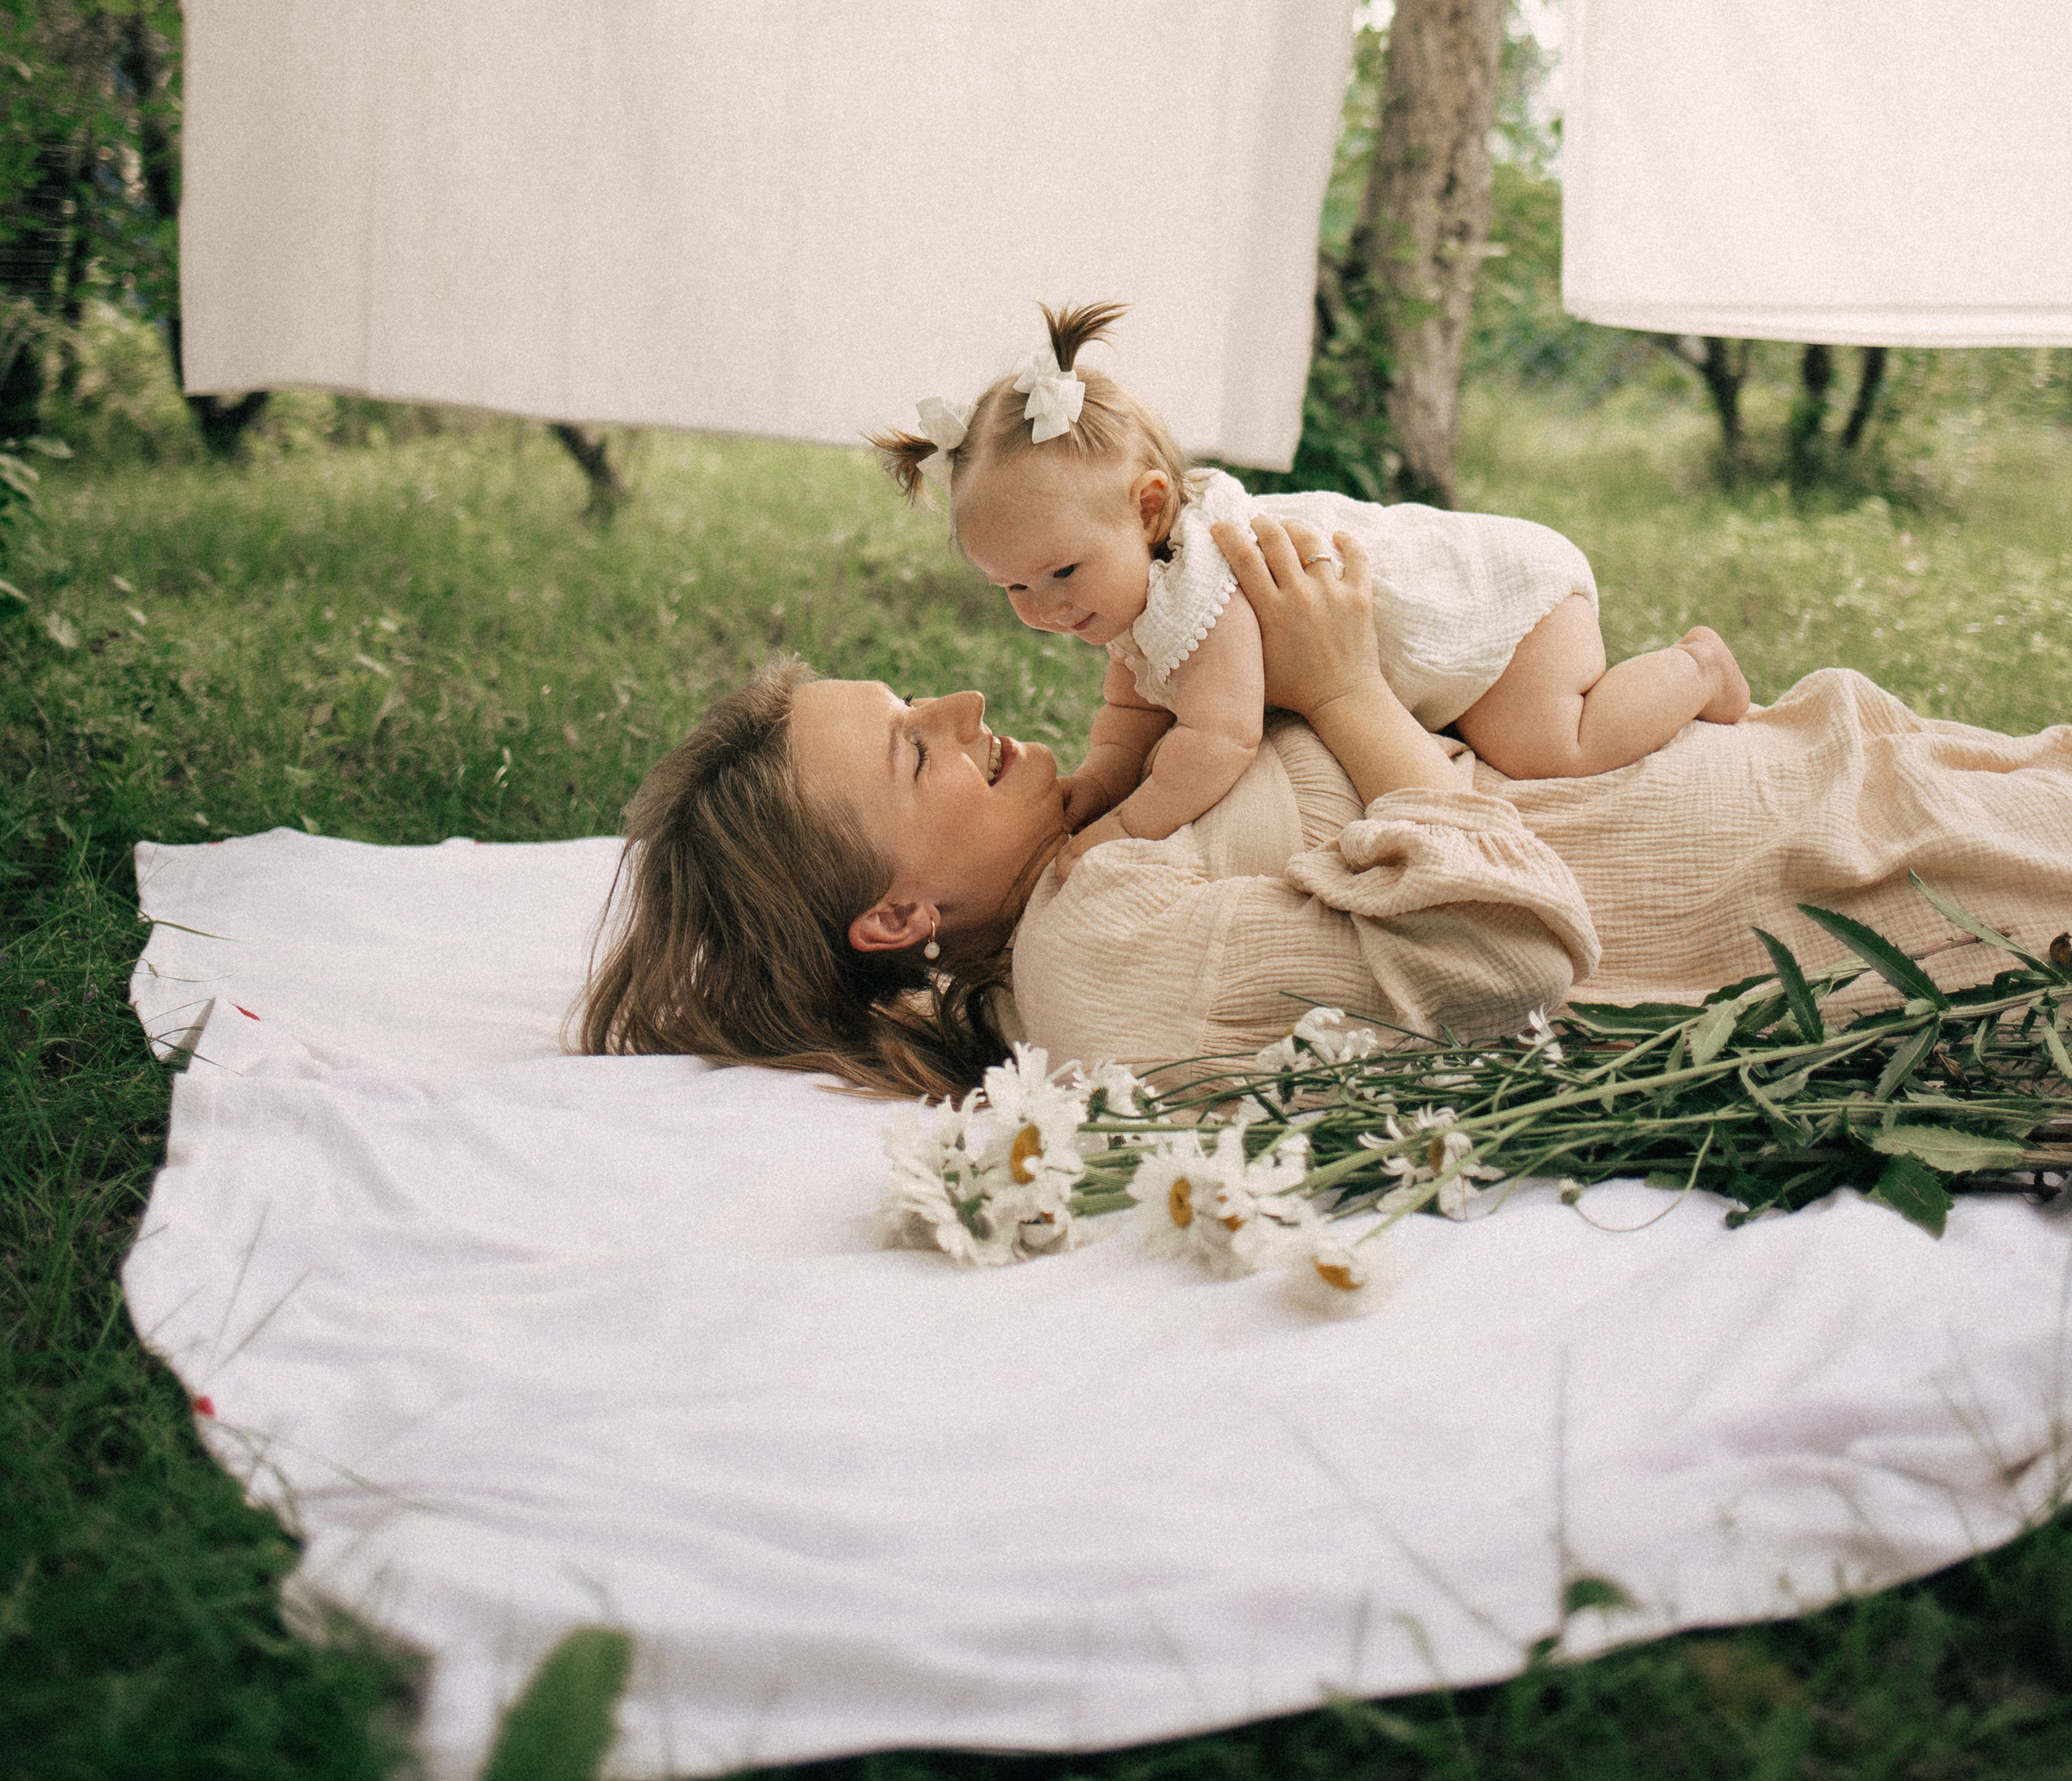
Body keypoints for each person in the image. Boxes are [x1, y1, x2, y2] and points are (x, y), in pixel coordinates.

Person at [578, 518, 2072, 1101]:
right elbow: (1501, 956)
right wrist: (1348, 691)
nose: (964, 705)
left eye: (916, 699)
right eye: (916, 754)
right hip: (1882, 884)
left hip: (1858, 775)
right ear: (897, 915)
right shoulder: (1091, 960)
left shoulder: (1112, 819)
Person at [869, 302, 1748, 870]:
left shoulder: (1207, 585)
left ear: (1148, 508)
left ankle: (1697, 669)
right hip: (1440, 631)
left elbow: (1217, 740)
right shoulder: (1138, 591)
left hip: (1500, 613)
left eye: (1062, 572)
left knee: (1549, 749)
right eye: (1013, 588)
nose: (1047, 608)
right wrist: (1097, 782)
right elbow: (1131, 711)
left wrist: (1122, 831)